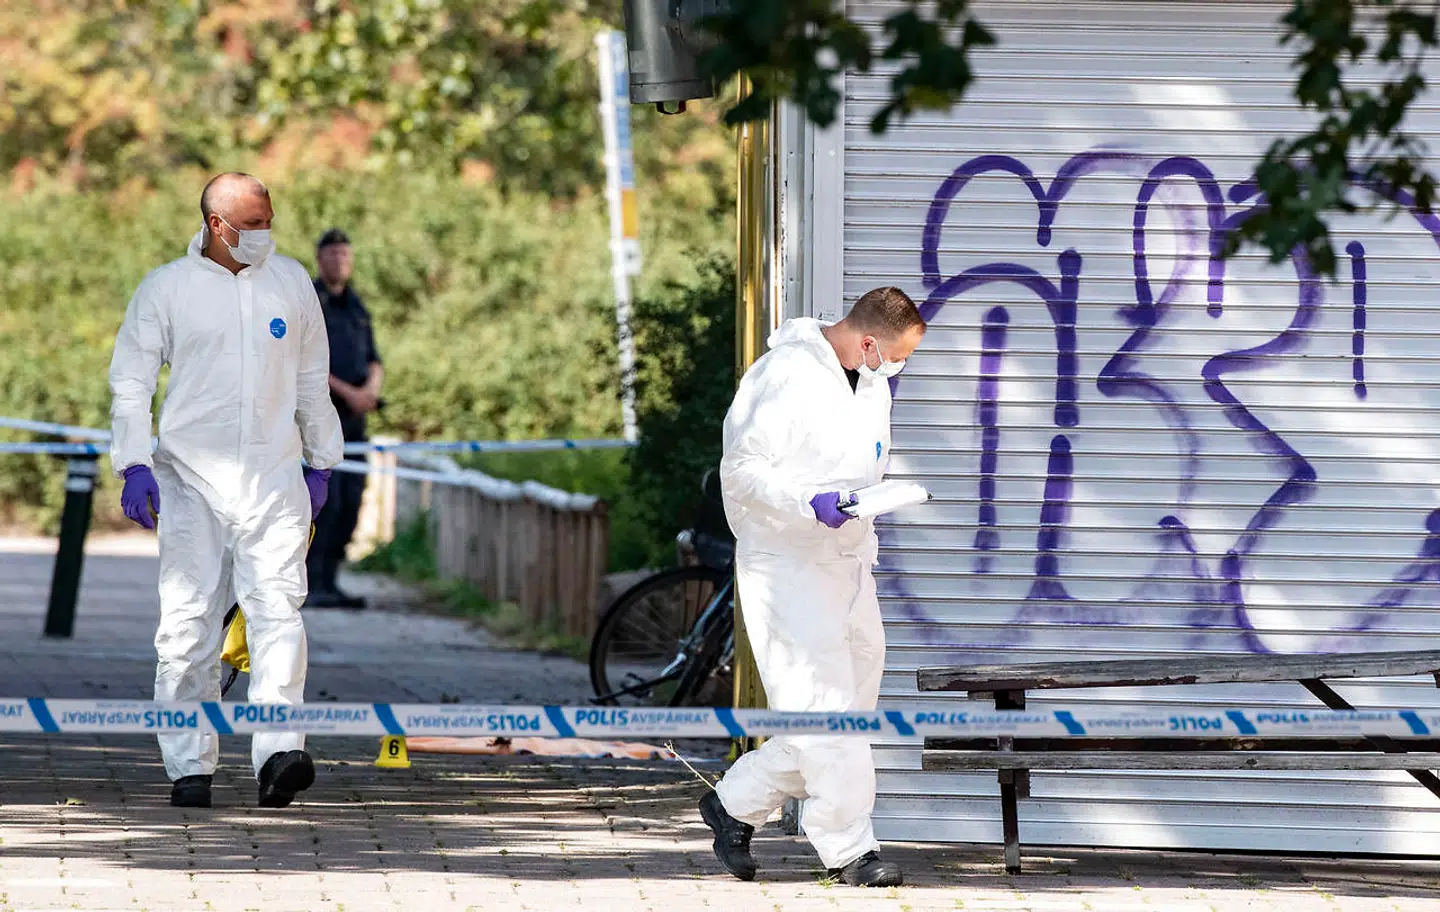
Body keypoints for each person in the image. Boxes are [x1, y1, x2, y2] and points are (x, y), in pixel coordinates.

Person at [109, 172, 344, 810]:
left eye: (270, 221)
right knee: (189, 628)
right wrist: (134, 464)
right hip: (189, 484)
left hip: (273, 480)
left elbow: (310, 376)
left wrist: (322, 461)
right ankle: (190, 764)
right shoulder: (167, 289)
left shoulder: (291, 281)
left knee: (278, 616)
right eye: (254, 225)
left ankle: (280, 755)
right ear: (218, 225)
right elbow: (131, 383)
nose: (266, 235)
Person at [700, 286, 927, 888]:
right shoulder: (783, 375)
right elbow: (742, 469)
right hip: (787, 563)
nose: (897, 368)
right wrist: (809, 502)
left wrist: (866, 502)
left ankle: (735, 803)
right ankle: (851, 850)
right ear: (870, 340)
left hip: (849, 561)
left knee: (846, 712)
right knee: (824, 712)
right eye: (896, 355)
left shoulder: (870, 383)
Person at [305, 228, 384, 610]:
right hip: (321, 421)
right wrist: (349, 393)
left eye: (345, 255)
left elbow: (374, 358)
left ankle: (332, 581)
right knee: (326, 502)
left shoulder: (357, 307)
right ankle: (311, 582)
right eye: (333, 254)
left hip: (355, 425)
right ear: (320, 258)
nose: (340, 261)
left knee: (352, 501)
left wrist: (370, 388)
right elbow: (304, 361)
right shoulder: (310, 302)